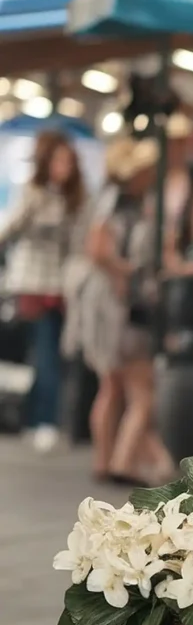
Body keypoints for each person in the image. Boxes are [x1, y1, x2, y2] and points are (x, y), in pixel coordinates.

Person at [80, 137, 174, 486]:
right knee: (140, 387)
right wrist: (130, 273)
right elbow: (98, 250)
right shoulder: (116, 205)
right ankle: (121, 458)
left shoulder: (127, 203)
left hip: (114, 305)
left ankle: (107, 459)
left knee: (113, 385)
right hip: (119, 307)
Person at [0, 130, 85, 453]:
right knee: (43, 353)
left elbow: (79, 243)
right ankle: (41, 420)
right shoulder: (34, 193)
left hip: (62, 286)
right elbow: (10, 228)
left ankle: (39, 419)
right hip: (32, 284)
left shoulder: (76, 198)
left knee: (49, 355)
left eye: (69, 160)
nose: (65, 166)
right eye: (59, 159)